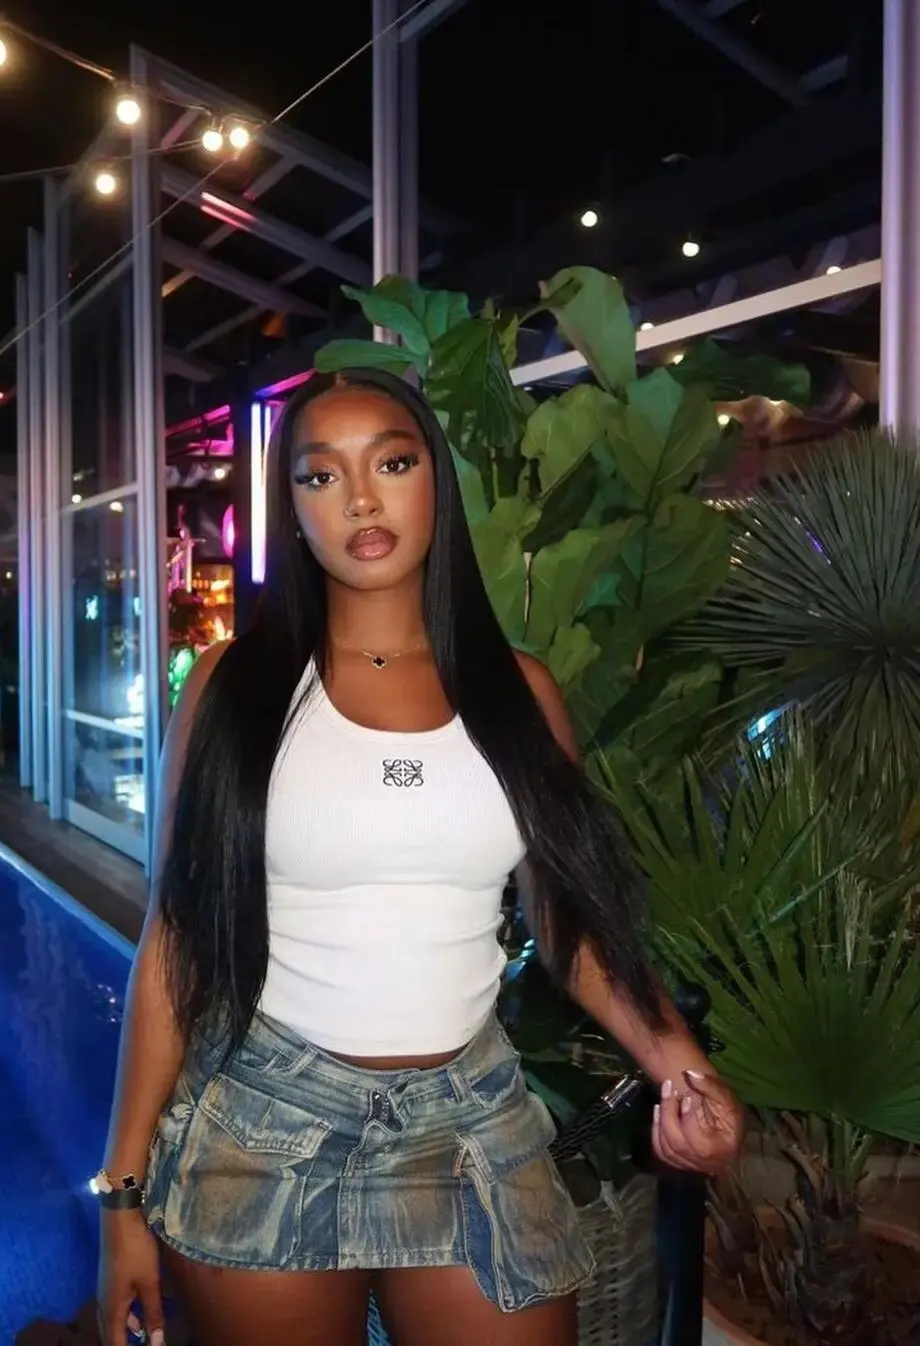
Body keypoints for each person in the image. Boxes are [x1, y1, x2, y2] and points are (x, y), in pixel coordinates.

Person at [96, 369, 744, 1346]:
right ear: (291, 511)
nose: (361, 499)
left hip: (472, 1120)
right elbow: (177, 938)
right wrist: (121, 1196)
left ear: (434, 478)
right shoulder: (235, 684)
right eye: (321, 476)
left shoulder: (518, 691)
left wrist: (683, 1070)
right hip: (266, 1122)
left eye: (392, 463)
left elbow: (570, 924)